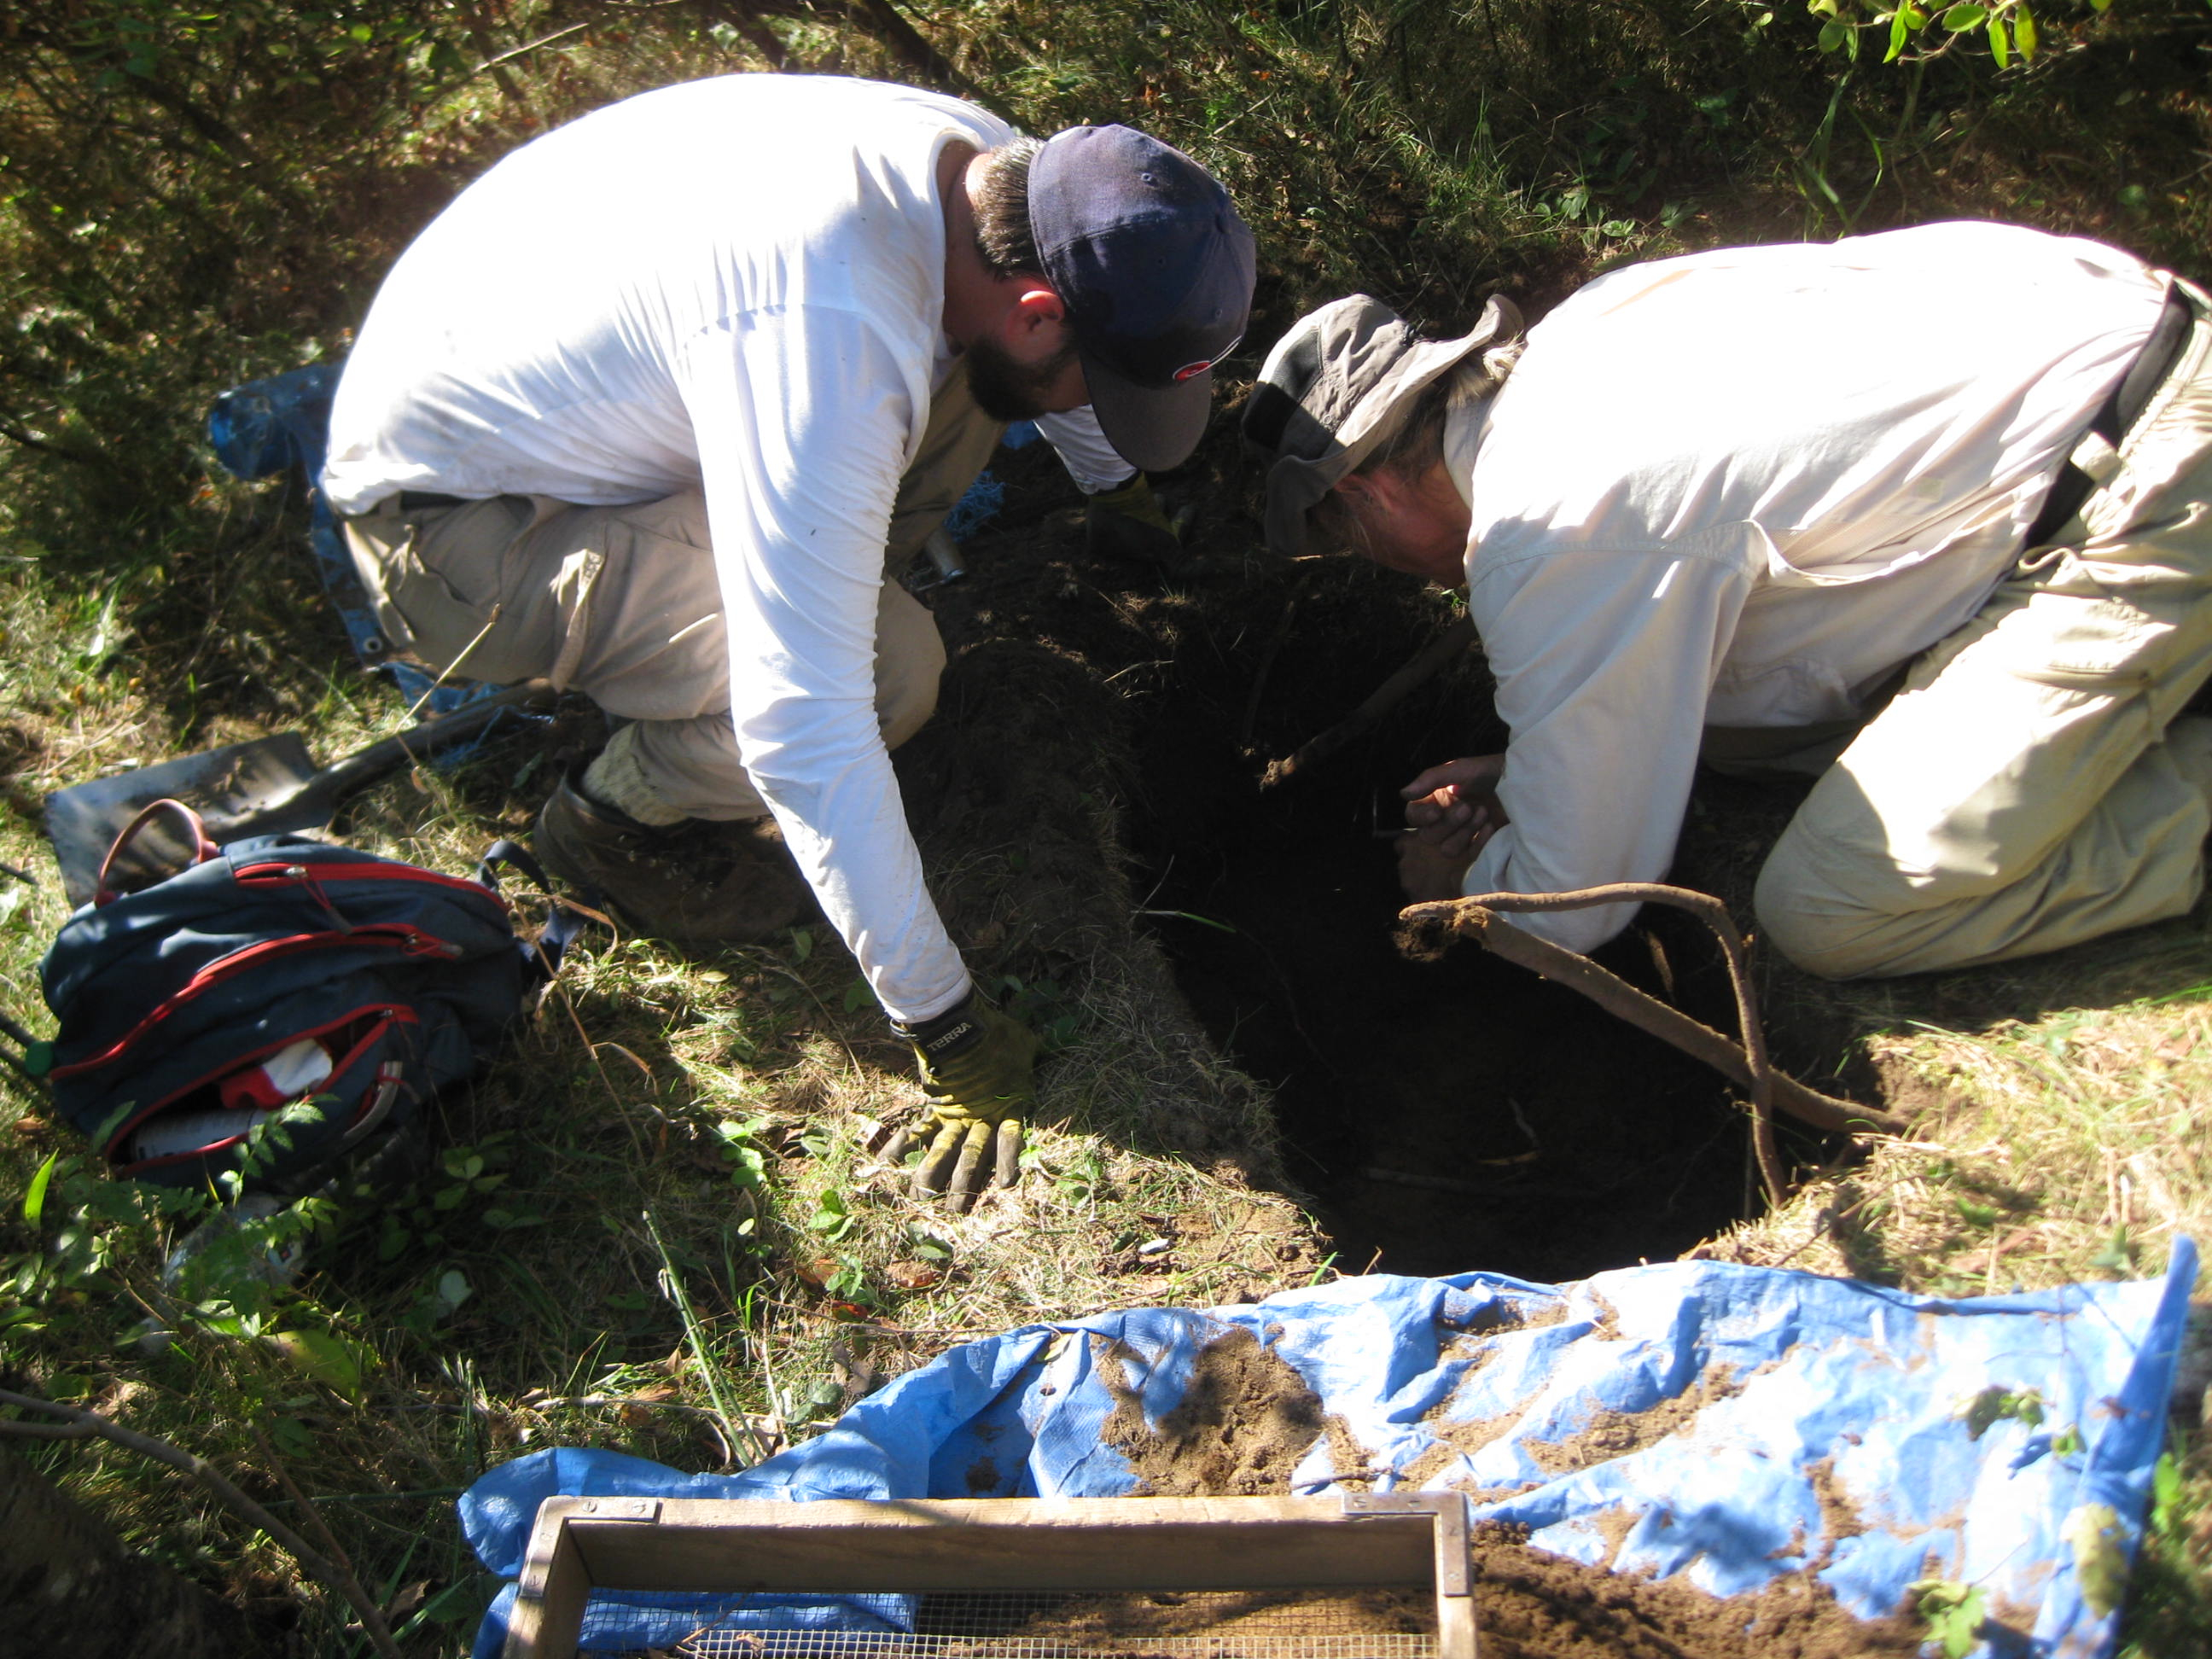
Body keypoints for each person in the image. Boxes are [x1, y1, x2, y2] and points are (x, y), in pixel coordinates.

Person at [322, 74, 1255, 1204]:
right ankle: (610, 820)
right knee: (884, 674)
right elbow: (803, 727)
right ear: (1038, 311)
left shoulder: (1003, 187)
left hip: (589, 388)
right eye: (1097, 387)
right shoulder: (827, 337)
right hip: (462, 531)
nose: (1091, 407)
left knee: (979, 388)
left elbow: (1026, 357)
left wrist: (1124, 497)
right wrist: (946, 1026)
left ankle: (788, 589)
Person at [1243, 221, 2212, 980]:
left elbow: (1573, 906)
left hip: (2146, 481)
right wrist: (1534, 772)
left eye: (1350, 540)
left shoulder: (1543, 532)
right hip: (2136, 346)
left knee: (1831, 909)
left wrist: (1457, 884)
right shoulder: (1591, 329)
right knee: (1739, 738)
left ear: (1365, 494)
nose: (1389, 567)